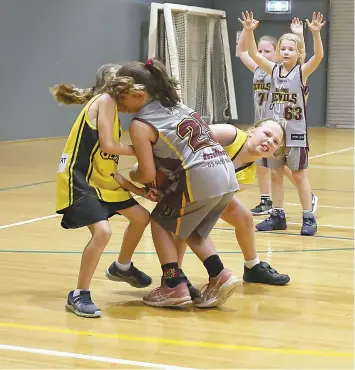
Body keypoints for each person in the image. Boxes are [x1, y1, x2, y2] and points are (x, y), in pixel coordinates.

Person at [117, 58, 241, 308]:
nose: (119, 103)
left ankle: (172, 285)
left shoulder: (140, 124)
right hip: (225, 172)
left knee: (159, 223)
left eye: (122, 96)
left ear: (139, 94)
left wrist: (132, 176)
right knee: (192, 230)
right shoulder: (178, 106)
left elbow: (147, 172)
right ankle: (219, 275)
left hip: (199, 175)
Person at [51, 64, 152, 318]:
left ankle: (122, 267)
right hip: (79, 179)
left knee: (141, 217)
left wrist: (138, 191)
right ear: (116, 85)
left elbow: (110, 163)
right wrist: (145, 150)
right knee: (102, 232)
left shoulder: (112, 112)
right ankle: (79, 294)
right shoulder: (105, 101)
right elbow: (110, 145)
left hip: (101, 180)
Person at [239, 11, 326, 236]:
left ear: (298, 53)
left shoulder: (302, 71)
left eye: (291, 49)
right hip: (276, 134)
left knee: (298, 175)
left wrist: (315, 34)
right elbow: (252, 55)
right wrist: (249, 32)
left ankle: (308, 216)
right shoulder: (273, 70)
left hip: (295, 133)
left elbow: (317, 57)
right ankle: (277, 215)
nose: (286, 52)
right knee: (276, 174)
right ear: (278, 52)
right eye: (283, 49)